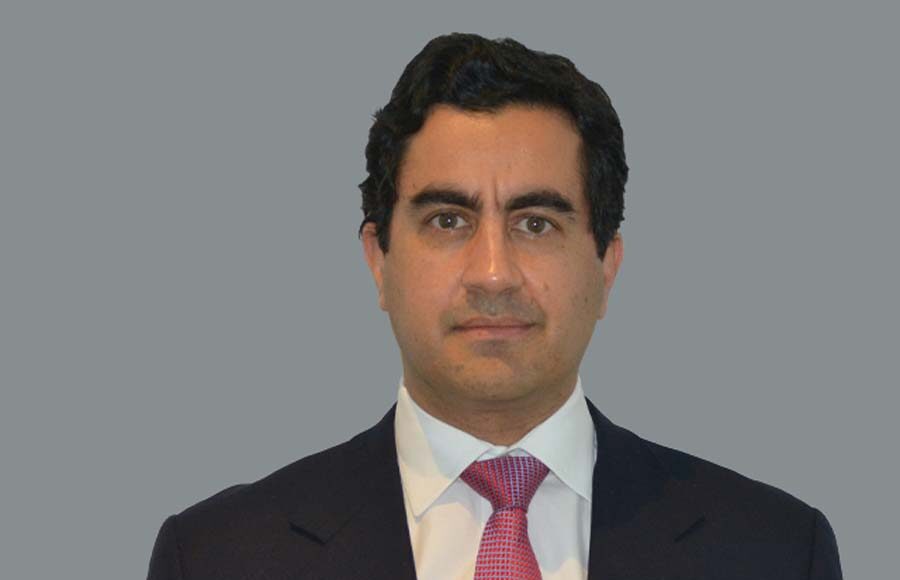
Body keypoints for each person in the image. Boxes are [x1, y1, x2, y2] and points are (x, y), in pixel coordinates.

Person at [147, 33, 843, 579]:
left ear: (606, 264)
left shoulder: (776, 551)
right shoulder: (217, 558)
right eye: (448, 220)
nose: (492, 274)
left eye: (536, 223)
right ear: (379, 260)